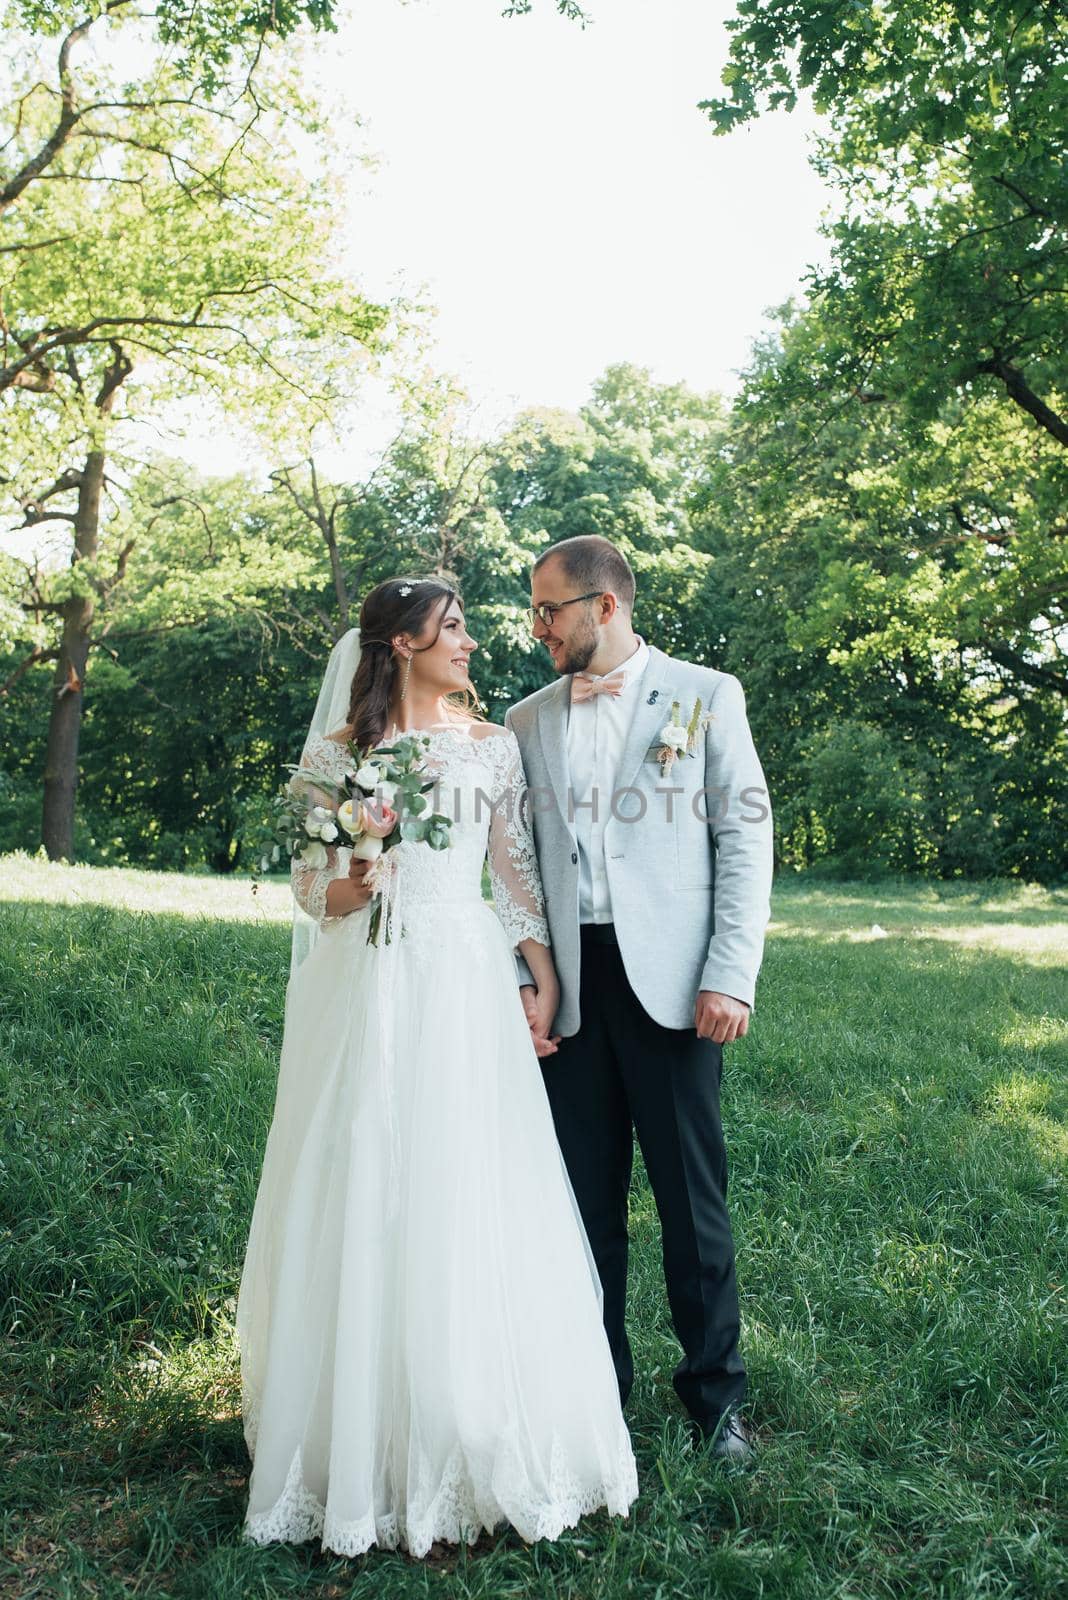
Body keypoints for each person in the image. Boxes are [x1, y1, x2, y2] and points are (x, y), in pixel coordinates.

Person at [236, 576, 638, 1559]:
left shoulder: (490, 744)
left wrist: (538, 971)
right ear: (404, 642)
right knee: (371, 1170)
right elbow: (309, 893)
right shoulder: (337, 755)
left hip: (465, 980)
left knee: (473, 1179)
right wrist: (355, 872)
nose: (468, 642)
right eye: (451, 628)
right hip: (371, 980)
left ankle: (482, 1416)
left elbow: (510, 867)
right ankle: (360, 1431)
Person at [505, 535, 773, 1460]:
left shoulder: (706, 695)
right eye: (535, 610)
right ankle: (595, 1395)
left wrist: (729, 971)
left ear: (605, 606)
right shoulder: (526, 718)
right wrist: (524, 978)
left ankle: (716, 1400)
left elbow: (744, 843)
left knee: (692, 1204)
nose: (538, 627)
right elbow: (513, 869)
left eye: (550, 610)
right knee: (582, 1203)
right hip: (571, 987)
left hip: (675, 985)